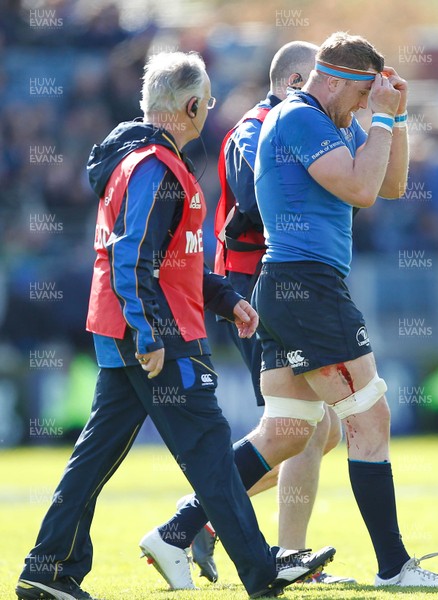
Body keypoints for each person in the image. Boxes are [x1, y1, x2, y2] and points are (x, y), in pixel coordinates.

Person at [138, 34, 438, 589]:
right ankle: (394, 567)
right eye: (363, 93)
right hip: (307, 285)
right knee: (371, 418)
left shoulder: (330, 118)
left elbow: (391, 182)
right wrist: (381, 121)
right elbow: (363, 190)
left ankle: (177, 529)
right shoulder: (299, 117)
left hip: (286, 285)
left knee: (288, 430)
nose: (366, 105)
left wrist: (399, 116)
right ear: (334, 78)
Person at [15, 51, 334, 600]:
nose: (209, 110)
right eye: (206, 102)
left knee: (94, 459)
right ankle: (261, 571)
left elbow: (169, 259)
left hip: (129, 327)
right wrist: (149, 333)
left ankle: (46, 571)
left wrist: (223, 297)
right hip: (155, 336)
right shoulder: (155, 168)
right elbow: (131, 256)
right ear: (189, 105)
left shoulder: (140, 160)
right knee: (210, 449)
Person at [191, 40, 354, 586]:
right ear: (297, 81)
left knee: (317, 428)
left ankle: (203, 519)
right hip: (258, 284)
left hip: (282, 282)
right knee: (302, 426)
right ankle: (252, 540)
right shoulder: (258, 127)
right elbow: (253, 202)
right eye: (327, 80)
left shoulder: (288, 123)